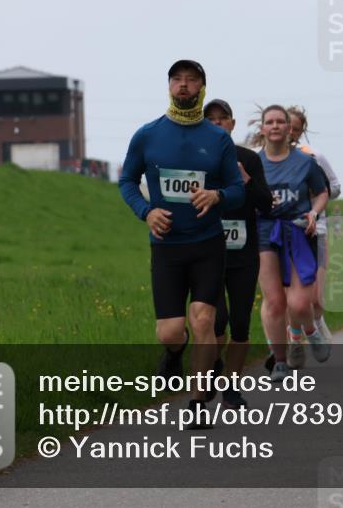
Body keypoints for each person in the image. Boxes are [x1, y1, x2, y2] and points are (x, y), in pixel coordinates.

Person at [118, 60, 245, 425]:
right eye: (177, 80)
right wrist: (146, 211)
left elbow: (237, 189)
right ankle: (174, 352)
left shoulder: (218, 139)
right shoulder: (148, 134)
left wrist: (217, 197)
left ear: (202, 87)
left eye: (191, 80)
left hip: (207, 244)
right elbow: (126, 180)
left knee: (203, 319)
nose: (184, 86)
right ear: (169, 86)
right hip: (167, 246)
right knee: (171, 330)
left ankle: (198, 401)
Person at [203, 98, 273, 408]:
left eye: (223, 119)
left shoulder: (248, 159)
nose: (217, 124)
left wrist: (246, 181)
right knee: (217, 322)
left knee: (241, 323)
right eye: (211, 120)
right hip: (208, 252)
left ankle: (231, 388)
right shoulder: (197, 161)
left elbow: (266, 203)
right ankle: (213, 370)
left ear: (232, 124)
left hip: (244, 253)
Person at [256, 105, 330, 381]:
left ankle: (311, 332)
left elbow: (322, 192)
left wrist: (313, 212)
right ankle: (280, 361)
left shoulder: (305, 162)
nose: (274, 126)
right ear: (262, 129)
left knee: (300, 304)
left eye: (280, 122)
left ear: (289, 129)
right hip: (265, 234)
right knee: (275, 303)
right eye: (269, 122)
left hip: (299, 233)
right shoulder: (253, 164)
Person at [286, 106, 341, 362]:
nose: (289, 133)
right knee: (293, 294)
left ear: (300, 131)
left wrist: (315, 194)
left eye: (295, 129)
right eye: (286, 126)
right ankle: (294, 338)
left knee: (314, 296)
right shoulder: (267, 158)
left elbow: (334, 187)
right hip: (282, 233)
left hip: (314, 230)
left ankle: (317, 322)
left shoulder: (313, 156)